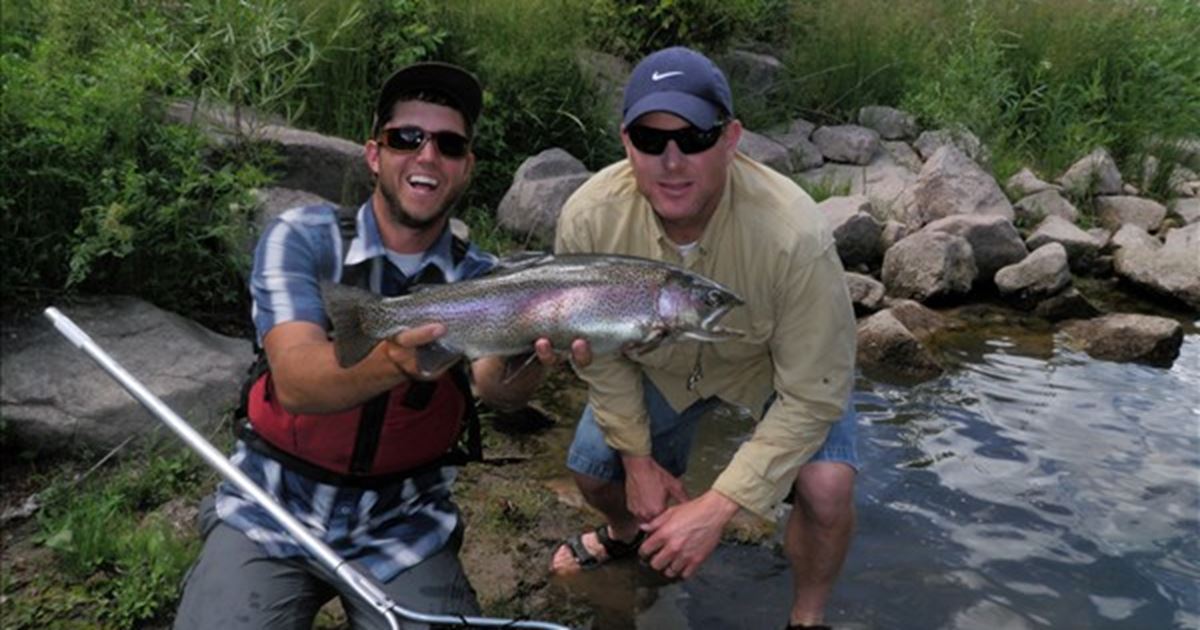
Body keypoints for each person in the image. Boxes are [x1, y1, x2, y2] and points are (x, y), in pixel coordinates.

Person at [175, 61, 586, 630]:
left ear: (466, 168)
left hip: (406, 520)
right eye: (406, 138)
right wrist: (397, 357)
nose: (426, 155)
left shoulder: (486, 278)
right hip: (271, 507)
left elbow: (499, 389)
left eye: (448, 144)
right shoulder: (301, 238)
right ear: (375, 154)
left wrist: (542, 353)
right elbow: (294, 383)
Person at [549, 47, 859, 630]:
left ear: (731, 138)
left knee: (827, 487)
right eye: (650, 139)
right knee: (596, 469)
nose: (671, 161)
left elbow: (815, 393)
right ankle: (625, 533)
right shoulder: (589, 218)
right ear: (625, 142)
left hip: (771, 369)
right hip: (660, 369)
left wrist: (719, 506)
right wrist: (637, 460)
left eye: (694, 138)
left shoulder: (795, 236)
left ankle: (807, 616)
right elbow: (604, 357)